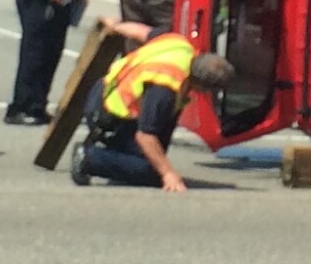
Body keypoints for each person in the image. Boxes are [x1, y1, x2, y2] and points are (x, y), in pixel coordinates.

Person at [70, 17, 235, 192]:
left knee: (156, 149)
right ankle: (89, 158)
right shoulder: (165, 88)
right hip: (107, 116)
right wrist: (167, 173)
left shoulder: (179, 45)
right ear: (202, 85)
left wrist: (116, 26)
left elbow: (141, 31)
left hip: (104, 92)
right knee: (151, 172)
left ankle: (120, 155)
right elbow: (145, 136)